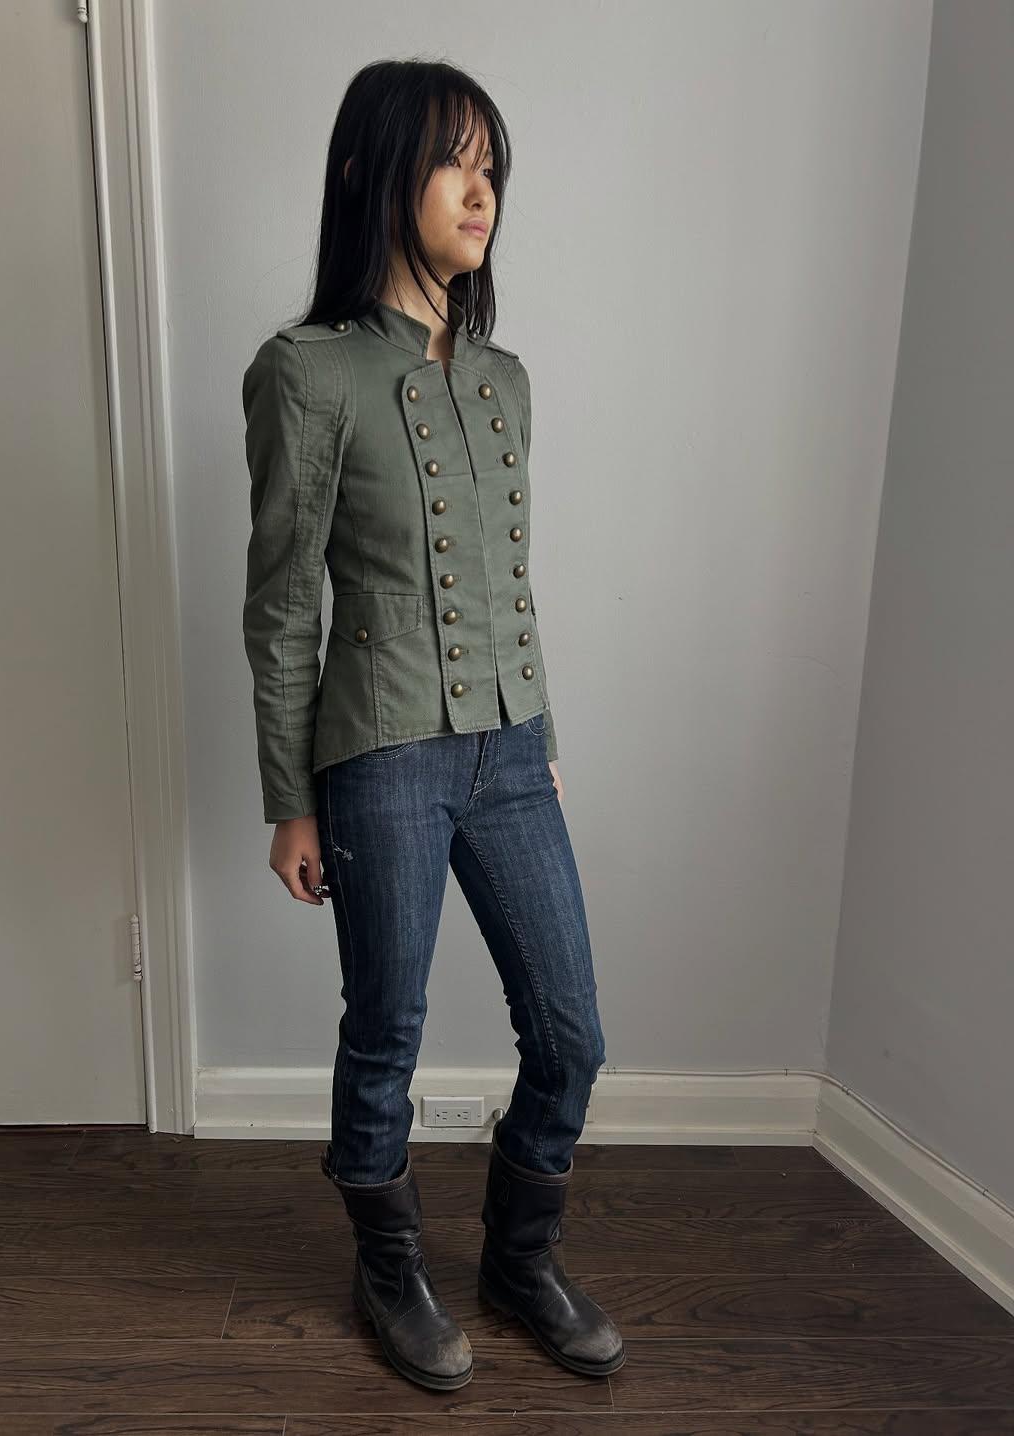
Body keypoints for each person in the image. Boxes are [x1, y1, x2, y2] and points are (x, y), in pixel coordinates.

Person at [241, 57, 624, 1392]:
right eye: (453, 161)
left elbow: (511, 581)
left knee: (570, 1033)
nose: (481, 191)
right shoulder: (307, 373)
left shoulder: (505, 380)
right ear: (373, 173)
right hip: (383, 750)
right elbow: (283, 603)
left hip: (511, 750)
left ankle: (518, 1263)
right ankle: (389, 1271)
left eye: (491, 165)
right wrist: (289, 798)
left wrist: (540, 737)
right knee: (385, 1032)